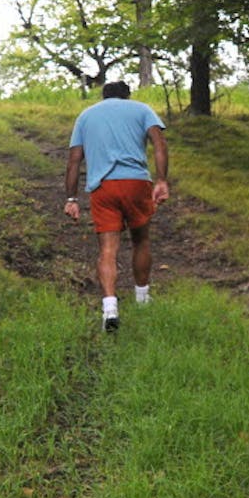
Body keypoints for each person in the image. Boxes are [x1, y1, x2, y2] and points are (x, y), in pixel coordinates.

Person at [63, 81, 170, 330]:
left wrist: (71, 199)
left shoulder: (86, 116)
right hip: (136, 183)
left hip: (103, 187)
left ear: (103, 96)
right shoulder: (142, 109)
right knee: (141, 240)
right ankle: (142, 299)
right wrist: (162, 180)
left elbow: (73, 161)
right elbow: (159, 144)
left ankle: (110, 309)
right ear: (127, 95)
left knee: (107, 249)